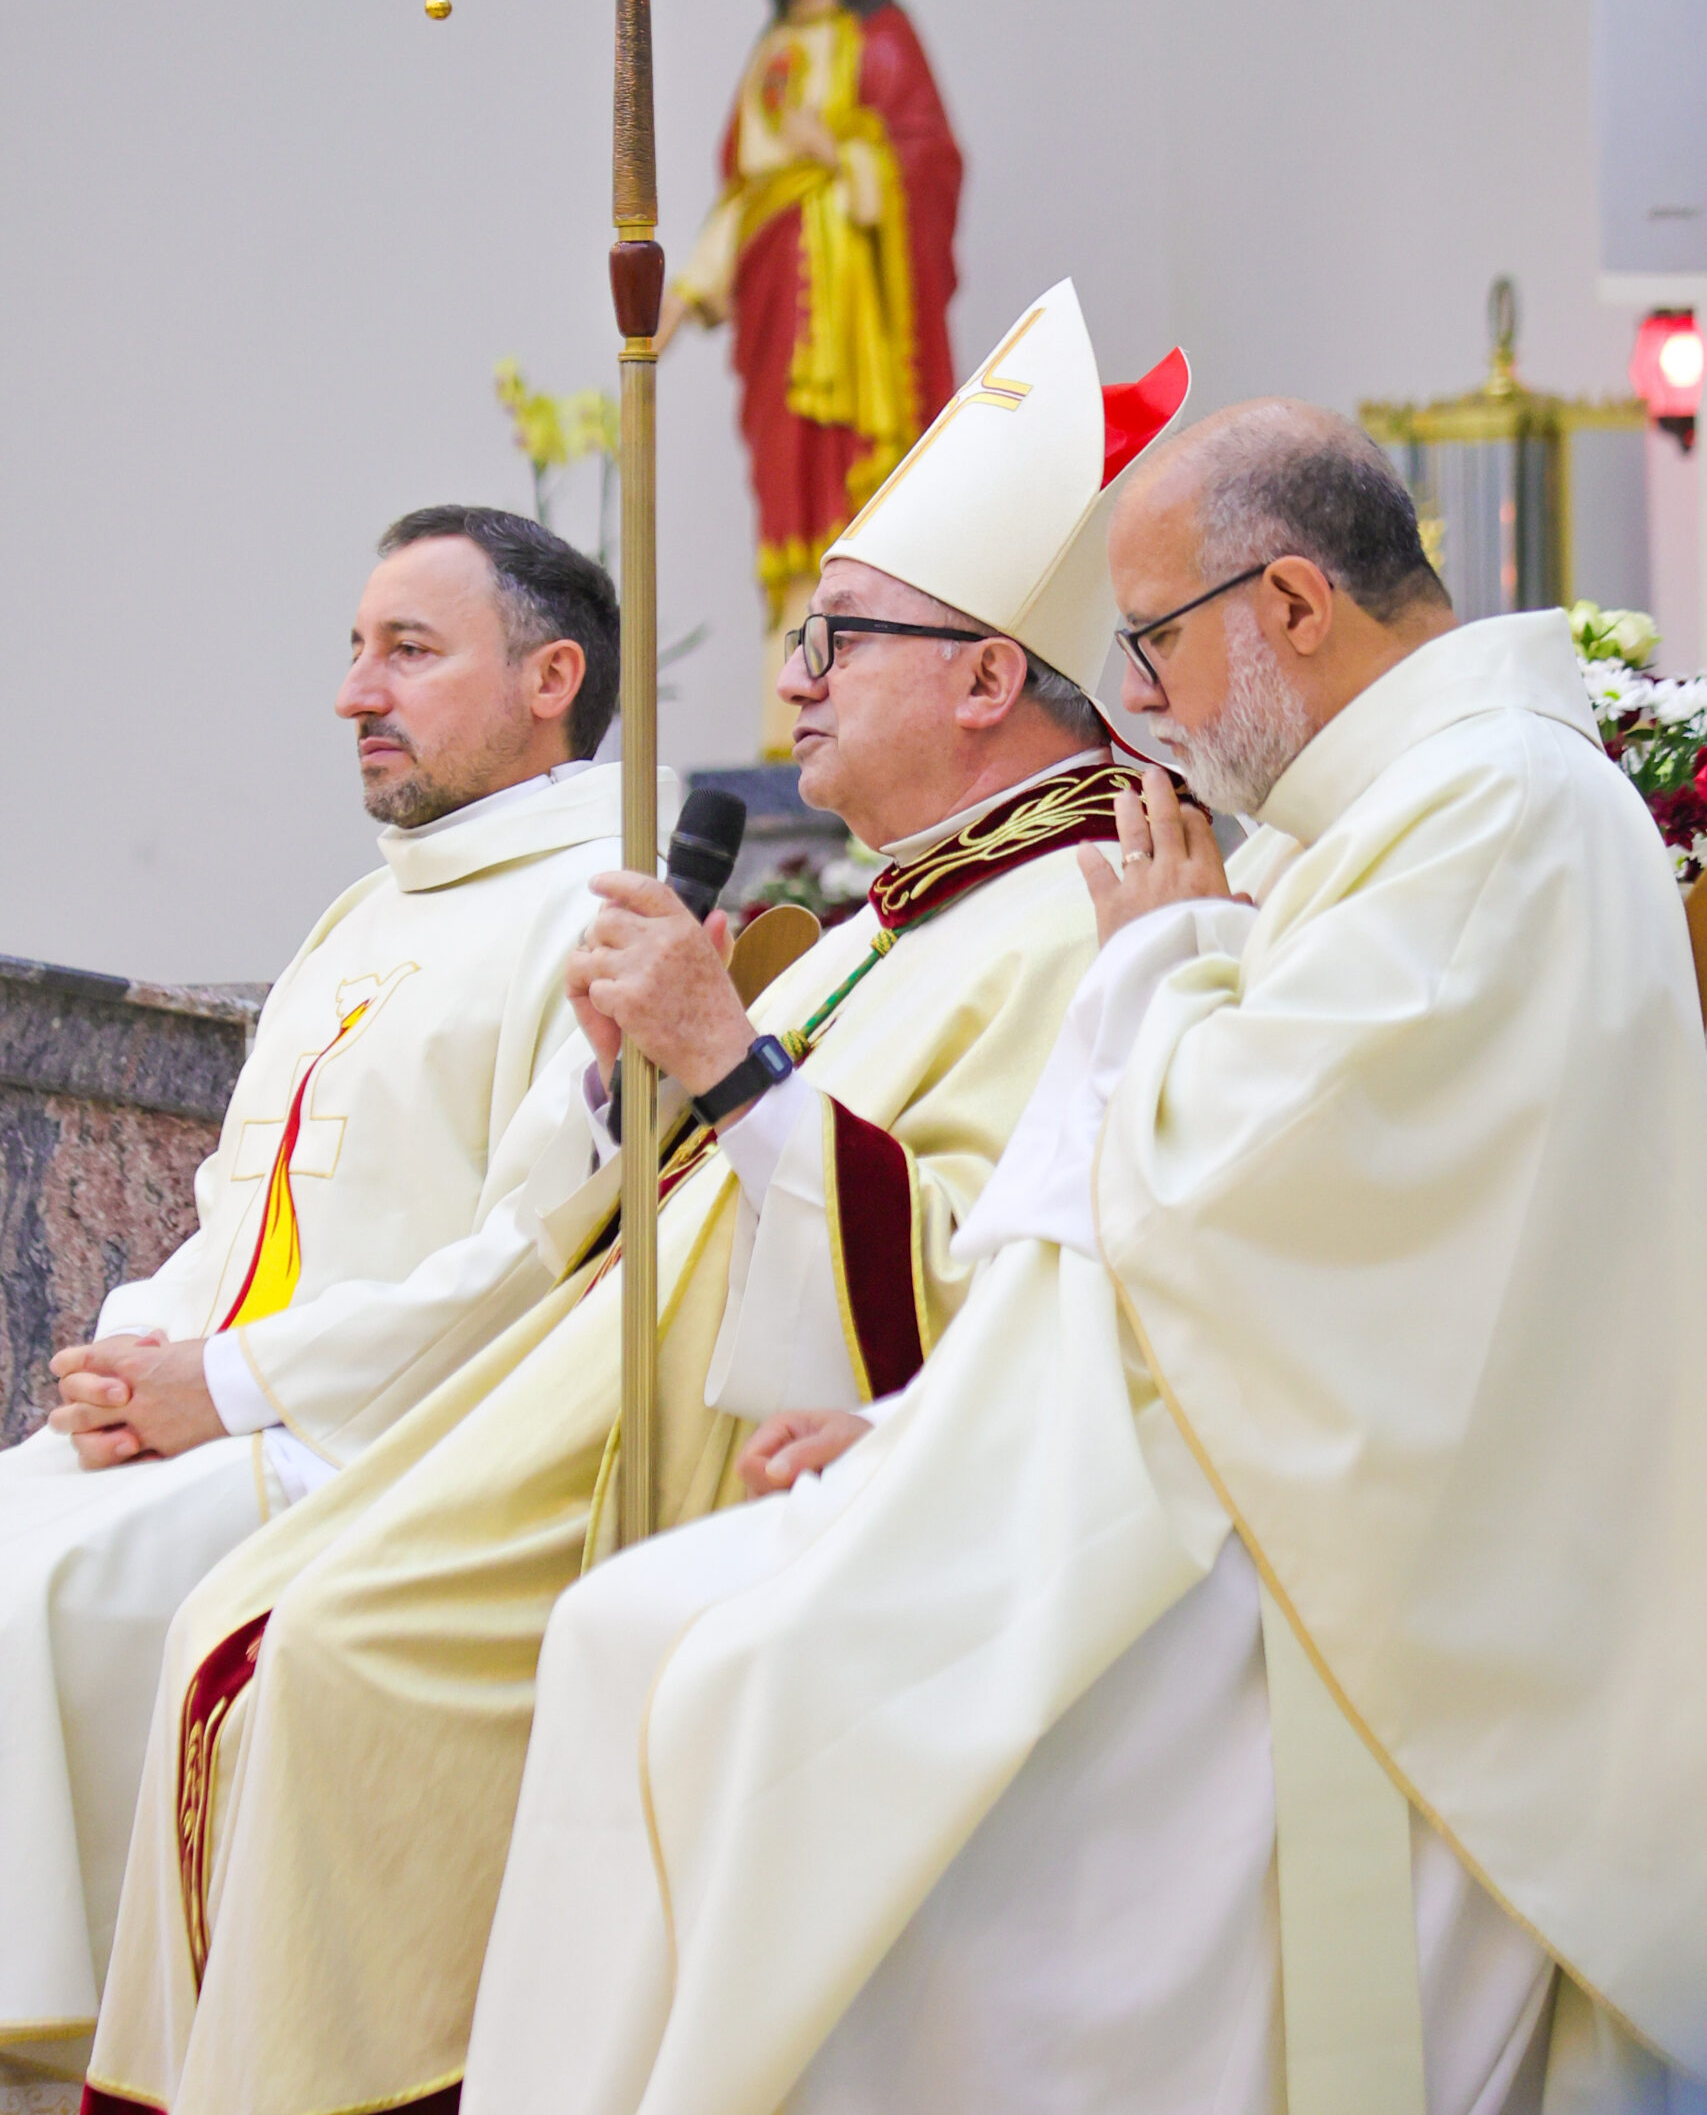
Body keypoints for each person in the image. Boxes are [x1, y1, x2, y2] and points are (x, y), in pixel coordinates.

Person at [453, 407, 1707, 2115]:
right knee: (638, 1638)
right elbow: (1179, 1218)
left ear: (1289, 604)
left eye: (1151, 639)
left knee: (740, 1687)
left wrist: (1156, 964)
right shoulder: (1372, 814)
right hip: (1262, 1461)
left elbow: (1222, 1195)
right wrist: (924, 1420)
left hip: (1365, 1559)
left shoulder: (1493, 808)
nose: (1137, 696)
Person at [84, 283, 1191, 2115]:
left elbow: (975, 1284)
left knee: (326, 1665)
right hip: (583, 1410)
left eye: (836, 639)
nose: (793, 681)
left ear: (989, 679)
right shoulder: (902, 910)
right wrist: (632, 1088)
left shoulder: (1080, 917)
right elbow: (642, 1193)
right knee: (243, 1624)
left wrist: (730, 1062)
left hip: (747, 1470)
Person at [0, 505, 666, 2099]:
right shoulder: (364, 911)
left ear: (551, 680)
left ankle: (81, 2038)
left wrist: (228, 1385)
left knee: (47, 1585)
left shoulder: (603, 909)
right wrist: (144, 1343)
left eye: (408, 651)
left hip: (384, 1436)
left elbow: (532, 1257)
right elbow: (242, 1208)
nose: (355, 692)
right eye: (357, 651)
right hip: (229, 1394)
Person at [659, 0, 963, 753]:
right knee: (788, 504)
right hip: (776, 324)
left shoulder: (880, 39)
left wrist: (843, 156)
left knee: (862, 514)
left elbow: (929, 162)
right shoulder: (772, 50)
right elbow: (744, 195)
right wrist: (682, 297)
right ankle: (789, 721)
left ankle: (880, 720)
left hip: (860, 338)